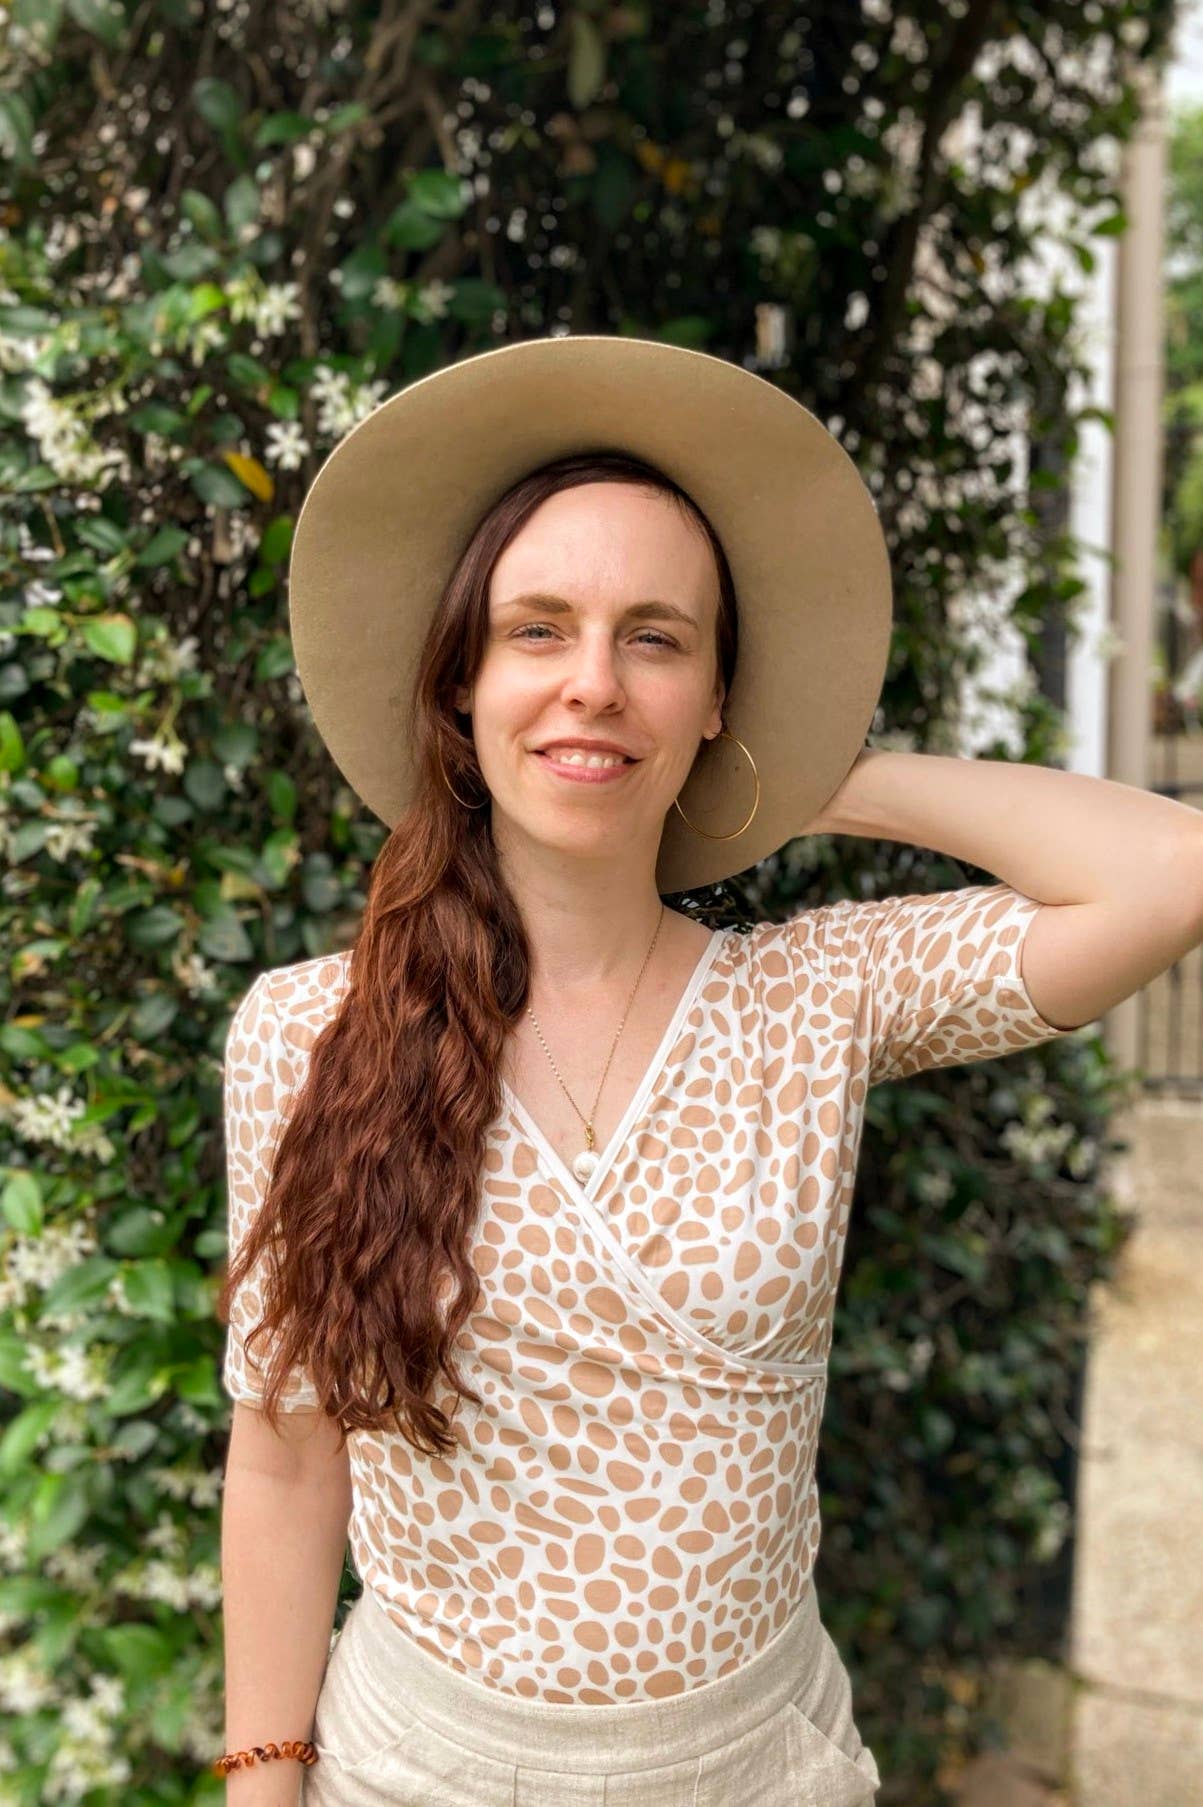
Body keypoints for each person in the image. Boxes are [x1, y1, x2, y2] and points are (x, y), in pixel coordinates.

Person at [213, 335, 1203, 1806]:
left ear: (717, 693)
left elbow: (1170, 871)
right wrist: (261, 1786)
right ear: (461, 680)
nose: (594, 685)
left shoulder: (813, 1000)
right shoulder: (309, 1033)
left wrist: (819, 779)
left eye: (657, 641)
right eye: (537, 630)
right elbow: (288, 1457)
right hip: (417, 1771)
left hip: (756, 1769)